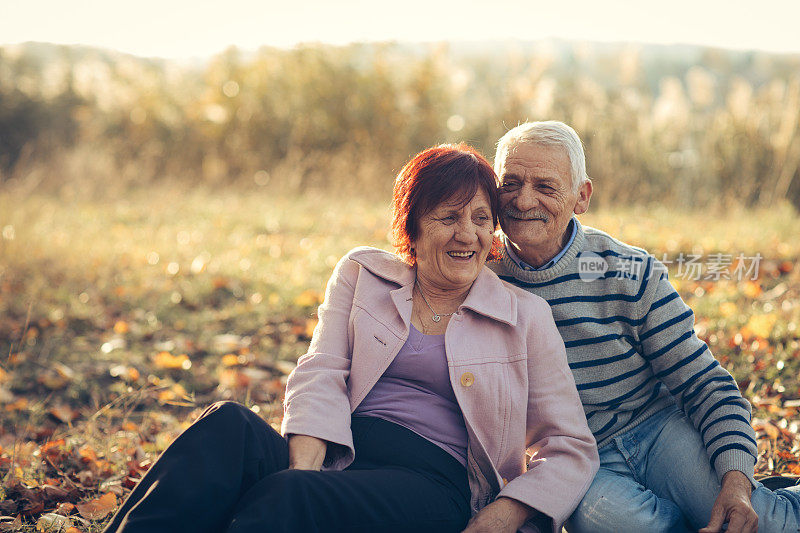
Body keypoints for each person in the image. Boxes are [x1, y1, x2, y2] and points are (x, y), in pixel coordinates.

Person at [103, 143, 598, 533]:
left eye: (481, 219)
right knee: (226, 426)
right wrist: (303, 468)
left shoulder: (524, 316)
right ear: (412, 226)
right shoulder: (363, 273)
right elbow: (322, 369)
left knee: (286, 500)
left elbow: (570, 446)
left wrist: (503, 515)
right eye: (448, 217)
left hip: (432, 484)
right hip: (339, 448)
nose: (467, 234)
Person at [488, 120, 800, 533]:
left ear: (582, 197)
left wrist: (737, 484)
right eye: (510, 183)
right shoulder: (479, 280)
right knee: (613, 522)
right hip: (575, 457)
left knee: (767, 523)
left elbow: (703, 383)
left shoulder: (630, 271)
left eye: (545, 186)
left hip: (659, 429)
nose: (524, 199)